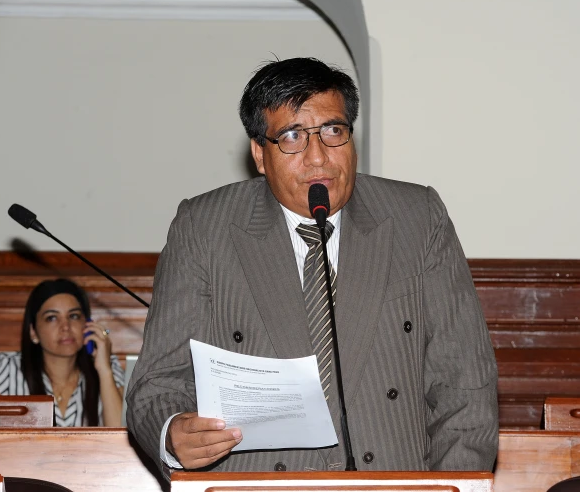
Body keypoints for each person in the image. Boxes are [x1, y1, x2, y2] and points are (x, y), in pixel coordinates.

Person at [126, 57, 498, 473]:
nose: (318, 157)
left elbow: (465, 384)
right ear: (259, 155)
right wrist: (173, 434)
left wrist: (451, 489)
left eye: (333, 132)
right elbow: (159, 383)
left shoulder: (417, 218)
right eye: (292, 137)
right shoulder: (204, 227)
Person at [0, 278, 124, 427]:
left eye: (74, 316)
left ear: (87, 325)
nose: (65, 327)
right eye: (52, 318)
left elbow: (122, 441)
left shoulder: (107, 367)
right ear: (33, 332)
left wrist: (104, 370)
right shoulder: (10, 368)